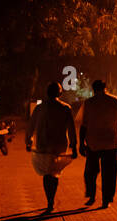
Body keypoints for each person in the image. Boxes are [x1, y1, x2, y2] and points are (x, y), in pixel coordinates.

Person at [25, 82, 78, 212]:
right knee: (54, 172)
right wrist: (74, 146)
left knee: (47, 173)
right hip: (58, 146)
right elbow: (71, 129)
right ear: (60, 93)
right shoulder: (66, 108)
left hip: (42, 145)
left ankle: (50, 199)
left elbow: (30, 126)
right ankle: (51, 199)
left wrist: (28, 141)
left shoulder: (40, 108)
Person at [80, 79, 117, 208]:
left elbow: (83, 125)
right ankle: (106, 199)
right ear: (105, 88)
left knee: (90, 172)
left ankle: (91, 195)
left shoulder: (89, 103)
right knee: (110, 173)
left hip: (93, 142)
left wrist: (81, 143)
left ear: (93, 89)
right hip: (111, 142)